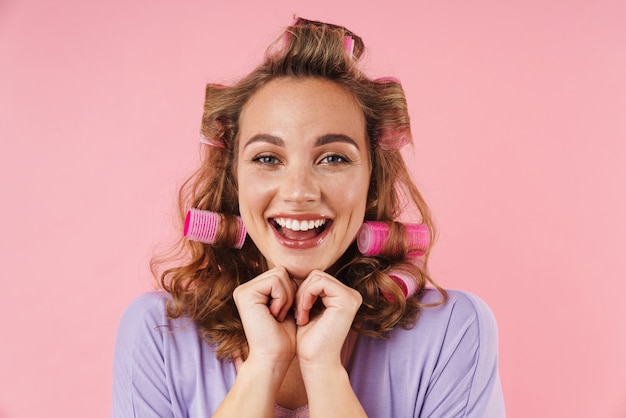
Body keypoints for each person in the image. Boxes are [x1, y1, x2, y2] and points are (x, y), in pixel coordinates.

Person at [111, 17, 505, 417]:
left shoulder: (452, 330)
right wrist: (262, 366)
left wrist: (324, 371)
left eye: (333, 158)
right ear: (234, 180)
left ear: (372, 177)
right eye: (267, 158)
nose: (299, 192)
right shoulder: (159, 334)